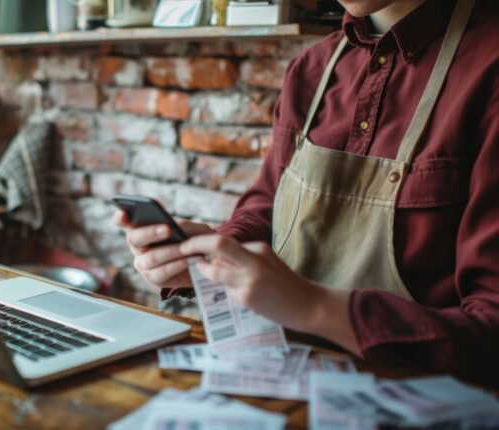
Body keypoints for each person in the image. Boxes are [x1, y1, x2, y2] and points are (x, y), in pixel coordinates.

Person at [114, 0, 499, 386]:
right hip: (288, 385)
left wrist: (313, 306)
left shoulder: (488, 66)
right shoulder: (310, 70)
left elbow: (490, 332)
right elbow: (269, 207)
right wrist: (210, 258)